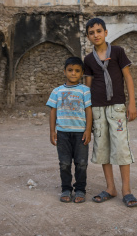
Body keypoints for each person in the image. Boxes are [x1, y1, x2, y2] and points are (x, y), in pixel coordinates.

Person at [83, 17, 137, 207]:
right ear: (88, 36)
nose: (96, 35)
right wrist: (88, 115)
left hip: (117, 107)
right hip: (97, 109)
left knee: (121, 147)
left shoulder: (117, 52)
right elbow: (88, 88)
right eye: (92, 33)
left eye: (99, 31)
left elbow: (128, 78)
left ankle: (126, 190)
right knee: (102, 148)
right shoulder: (89, 59)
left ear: (106, 32)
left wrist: (131, 104)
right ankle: (110, 188)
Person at [47, 56, 93, 203]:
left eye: (77, 71)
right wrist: (52, 131)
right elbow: (53, 111)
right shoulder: (57, 91)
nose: (73, 73)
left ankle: (80, 190)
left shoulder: (85, 91)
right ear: (65, 71)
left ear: (82, 73)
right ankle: (66, 189)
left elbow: (89, 111)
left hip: (80, 132)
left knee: (81, 163)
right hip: (62, 133)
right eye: (70, 70)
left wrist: (88, 130)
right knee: (64, 163)